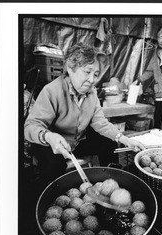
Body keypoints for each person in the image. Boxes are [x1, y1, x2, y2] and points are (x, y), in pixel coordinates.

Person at [24, 43, 145, 191]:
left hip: (77, 141)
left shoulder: (92, 93)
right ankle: (55, 196)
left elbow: (100, 122)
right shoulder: (51, 91)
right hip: (54, 146)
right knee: (53, 166)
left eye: (95, 74)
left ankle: (110, 184)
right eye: (87, 72)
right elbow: (31, 126)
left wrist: (124, 139)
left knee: (109, 142)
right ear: (70, 68)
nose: (92, 80)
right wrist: (49, 137)